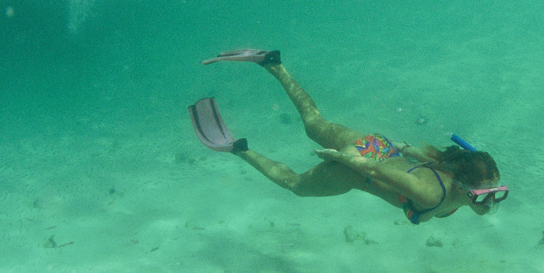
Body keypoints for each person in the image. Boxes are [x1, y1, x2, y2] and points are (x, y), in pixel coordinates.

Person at [189, 49, 507, 224]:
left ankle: (274, 64)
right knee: (296, 185)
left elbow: (416, 159)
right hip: (355, 167)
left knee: (314, 122)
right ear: (466, 186)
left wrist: (400, 146)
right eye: (484, 196)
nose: (489, 202)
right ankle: (239, 149)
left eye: (496, 194)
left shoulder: (453, 174)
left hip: (375, 146)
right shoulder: (431, 195)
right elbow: (372, 170)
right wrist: (339, 159)